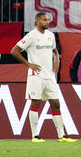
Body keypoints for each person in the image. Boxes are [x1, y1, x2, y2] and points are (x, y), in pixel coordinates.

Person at [11, 13, 75, 142]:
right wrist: (29, 64)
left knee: (56, 103)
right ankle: (35, 136)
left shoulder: (50, 35)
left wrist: (57, 61)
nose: (47, 22)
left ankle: (61, 135)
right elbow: (14, 51)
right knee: (36, 103)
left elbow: (54, 50)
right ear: (37, 21)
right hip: (36, 76)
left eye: (48, 20)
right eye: (44, 20)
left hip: (50, 75)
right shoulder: (31, 36)